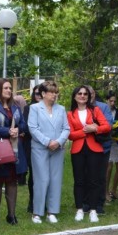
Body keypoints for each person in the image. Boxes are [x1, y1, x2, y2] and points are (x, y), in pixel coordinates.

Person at [0, 79, 28, 226]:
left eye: (10, 88)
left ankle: (11, 215)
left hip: (15, 149)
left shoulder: (15, 106)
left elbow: (23, 124)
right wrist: (6, 131)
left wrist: (18, 130)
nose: (9, 90)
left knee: (12, 181)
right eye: (6, 88)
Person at [28, 81, 70, 224]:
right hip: (40, 148)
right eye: (51, 92)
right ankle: (37, 212)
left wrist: (58, 142)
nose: (54, 95)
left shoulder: (61, 109)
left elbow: (66, 128)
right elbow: (33, 128)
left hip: (57, 149)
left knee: (55, 179)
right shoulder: (34, 108)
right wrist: (47, 142)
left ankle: (52, 211)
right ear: (43, 94)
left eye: (56, 92)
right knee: (42, 179)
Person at [67, 85, 110, 223]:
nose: (82, 96)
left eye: (85, 94)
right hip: (77, 149)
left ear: (89, 96)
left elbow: (106, 126)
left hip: (94, 148)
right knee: (79, 180)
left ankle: (93, 210)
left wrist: (95, 128)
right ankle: (79, 209)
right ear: (75, 96)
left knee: (94, 180)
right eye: (79, 93)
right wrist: (86, 130)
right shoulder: (70, 114)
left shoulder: (95, 110)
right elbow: (70, 135)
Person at [86, 86, 114, 213]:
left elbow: (108, 124)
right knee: (86, 175)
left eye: (90, 93)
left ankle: (99, 204)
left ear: (94, 94)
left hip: (103, 147)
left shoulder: (103, 107)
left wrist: (94, 128)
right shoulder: (79, 108)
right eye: (85, 93)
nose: (88, 96)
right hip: (85, 147)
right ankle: (86, 202)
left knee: (100, 176)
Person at [23, 85, 42, 213]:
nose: (39, 96)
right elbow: (27, 128)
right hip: (32, 145)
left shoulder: (52, 108)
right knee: (34, 175)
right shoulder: (28, 108)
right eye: (36, 93)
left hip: (49, 146)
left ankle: (45, 200)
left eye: (42, 93)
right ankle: (33, 201)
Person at [105, 91, 118, 201]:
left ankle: (114, 190)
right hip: (107, 141)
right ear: (106, 100)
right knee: (108, 167)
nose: (113, 103)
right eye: (111, 101)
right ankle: (106, 191)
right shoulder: (103, 111)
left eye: (114, 101)